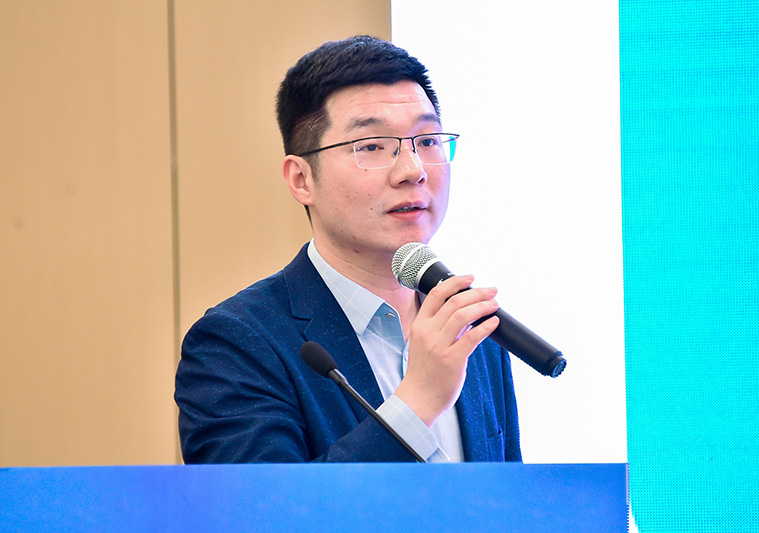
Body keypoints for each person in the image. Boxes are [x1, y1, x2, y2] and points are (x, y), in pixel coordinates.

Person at [175, 36, 521, 463]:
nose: (412, 170)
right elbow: (266, 504)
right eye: (371, 146)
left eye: (428, 141)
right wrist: (417, 404)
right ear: (302, 180)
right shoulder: (236, 343)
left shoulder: (471, 329)